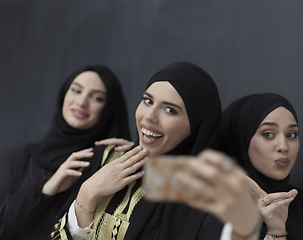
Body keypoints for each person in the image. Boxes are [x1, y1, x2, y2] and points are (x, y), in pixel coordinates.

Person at [50, 62, 261, 240]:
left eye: (170, 110)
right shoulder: (106, 157)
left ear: (196, 127)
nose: (149, 117)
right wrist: (87, 193)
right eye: (147, 101)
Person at [0, 64, 132, 239]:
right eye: (76, 91)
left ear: (109, 109)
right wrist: (46, 190)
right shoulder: (21, 157)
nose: (81, 102)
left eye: (96, 98)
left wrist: (144, 156)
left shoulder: (112, 165)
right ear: (64, 94)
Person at [219, 93, 303, 239]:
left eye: (291, 134)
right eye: (268, 134)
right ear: (241, 138)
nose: (283, 146)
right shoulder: (215, 208)